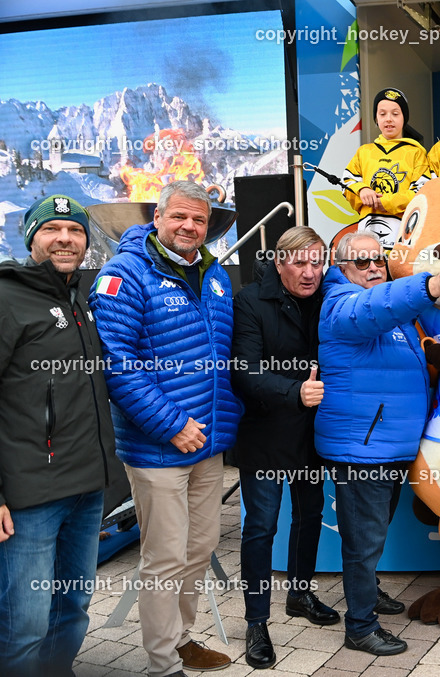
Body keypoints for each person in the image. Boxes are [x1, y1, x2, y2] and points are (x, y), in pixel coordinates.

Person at [90, 180, 243, 677]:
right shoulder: (125, 274)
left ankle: (182, 640)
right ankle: (162, 663)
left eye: (198, 220)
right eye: (179, 217)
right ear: (157, 217)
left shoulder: (213, 273)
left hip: (209, 445)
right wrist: (172, 425)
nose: (189, 227)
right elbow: (117, 364)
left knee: (199, 549)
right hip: (159, 447)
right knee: (164, 557)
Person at [315, 232, 440, 656]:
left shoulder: (386, 304)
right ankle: (360, 626)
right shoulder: (341, 305)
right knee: (363, 544)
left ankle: (369, 594)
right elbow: (371, 311)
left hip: (388, 446)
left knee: (372, 538)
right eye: (362, 262)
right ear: (342, 269)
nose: (374, 267)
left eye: (379, 259)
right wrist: (428, 284)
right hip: (363, 450)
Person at [0, 195, 118, 676]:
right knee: (23, 624)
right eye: (52, 230)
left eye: (75, 230)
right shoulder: (7, 299)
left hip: (87, 489)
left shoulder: (80, 298)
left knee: (71, 609)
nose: (65, 239)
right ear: (31, 238)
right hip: (31, 496)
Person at [231, 227, 339, 670]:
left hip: (313, 432)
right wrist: (295, 391)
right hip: (266, 430)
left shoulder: (327, 298)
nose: (310, 272)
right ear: (279, 262)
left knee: (310, 514)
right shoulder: (250, 301)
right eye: (300, 262)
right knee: (261, 527)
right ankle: (257, 621)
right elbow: (243, 372)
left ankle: (300, 594)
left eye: (318, 262)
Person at [341, 88, 429, 250]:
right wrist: (362, 190)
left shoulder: (416, 153)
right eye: (382, 114)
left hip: (405, 233)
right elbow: (346, 182)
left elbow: (422, 193)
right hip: (368, 232)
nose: (389, 119)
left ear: (404, 118)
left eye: (395, 114)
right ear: (375, 117)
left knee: (400, 273)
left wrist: (386, 202)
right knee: (369, 268)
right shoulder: (364, 152)